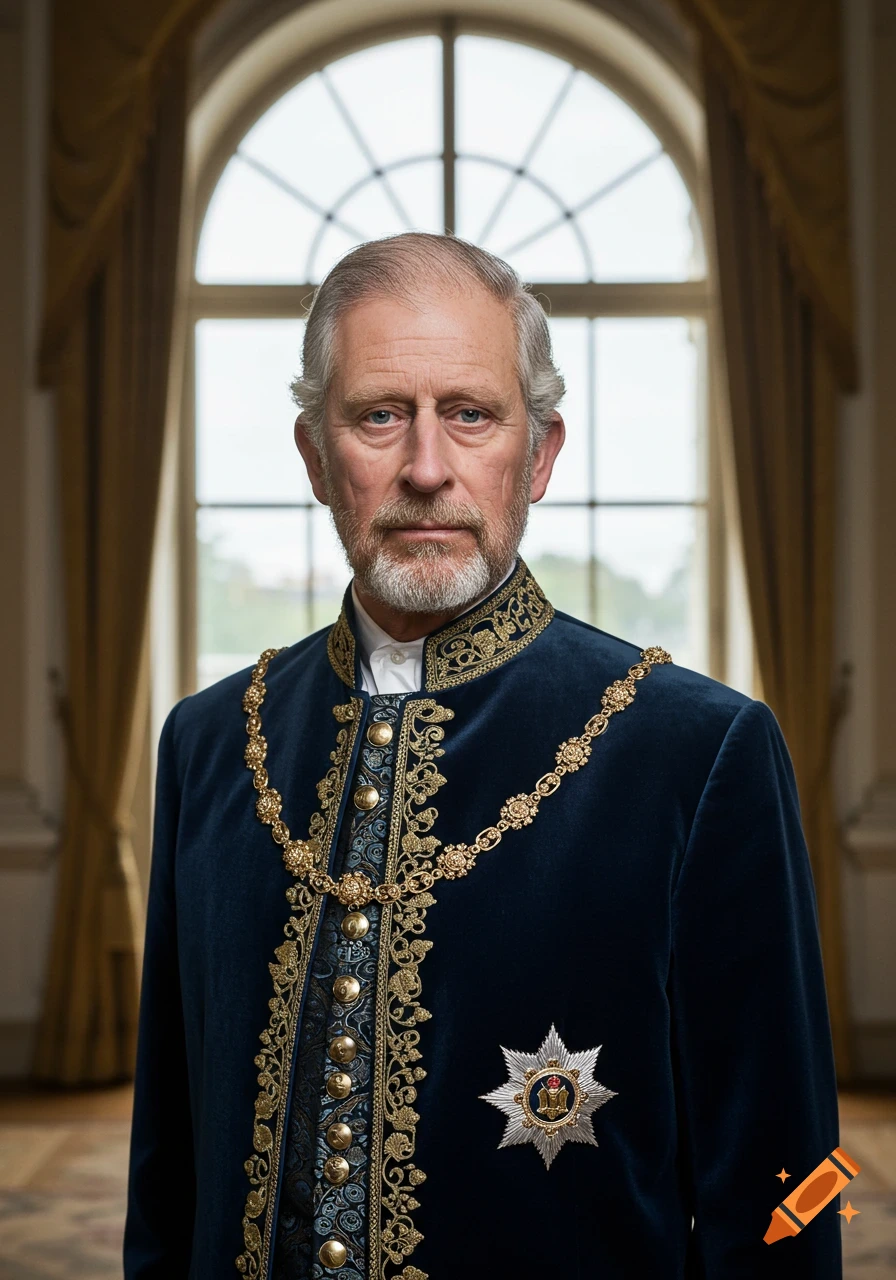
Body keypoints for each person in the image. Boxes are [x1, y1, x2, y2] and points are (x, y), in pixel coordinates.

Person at [124, 232, 842, 1279]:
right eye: (380, 416)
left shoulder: (696, 751)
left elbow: (785, 1181)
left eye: (470, 414)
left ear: (539, 454)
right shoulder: (209, 743)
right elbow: (167, 1174)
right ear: (315, 456)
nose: (426, 468)